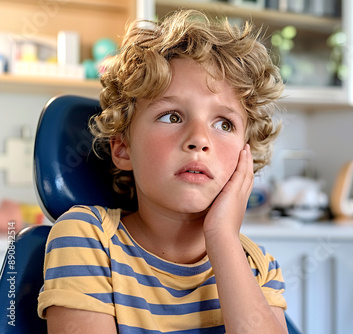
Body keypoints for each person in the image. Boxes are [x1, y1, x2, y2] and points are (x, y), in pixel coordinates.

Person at [37, 8, 288, 334]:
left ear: (246, 156)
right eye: (172, 116)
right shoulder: (88, 239)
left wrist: (223, 239)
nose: (199, 139)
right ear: (123, 148)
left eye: (223, 123)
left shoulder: (257, 266)